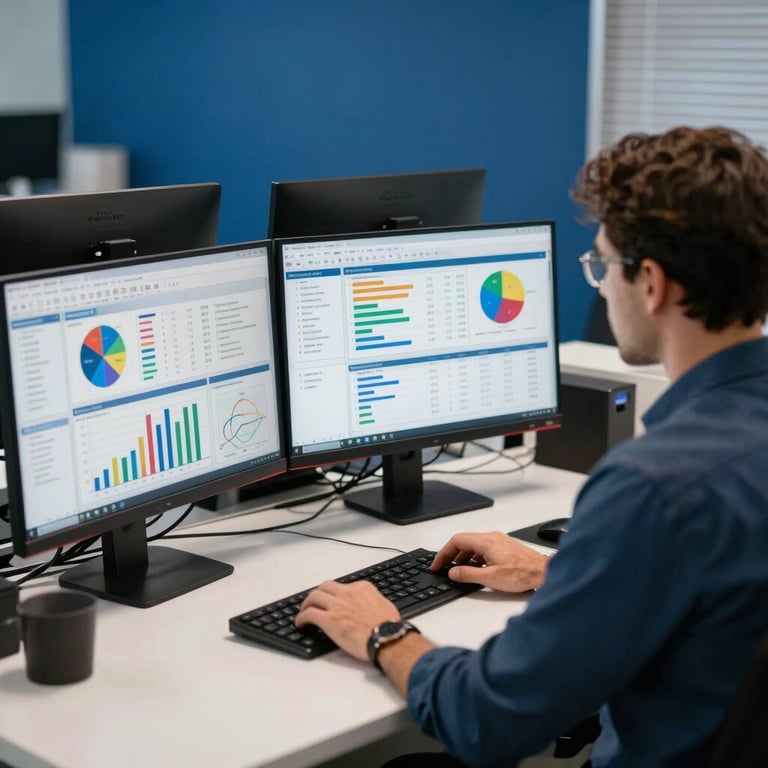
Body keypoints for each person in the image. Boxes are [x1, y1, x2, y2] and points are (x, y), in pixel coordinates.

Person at [296, 126, 768, 768]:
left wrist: (381, 631)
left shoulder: (654, 485)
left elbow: (487, 720)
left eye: (602, 264)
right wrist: (563, 577)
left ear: (651, 283)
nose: (600, 286)